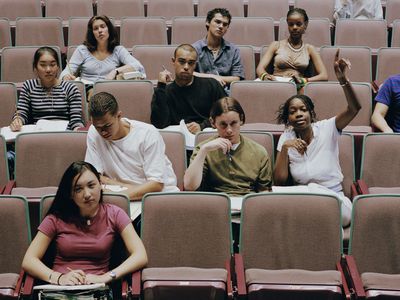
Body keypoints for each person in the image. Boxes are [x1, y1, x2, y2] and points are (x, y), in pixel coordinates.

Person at [22, 161, 147, 292]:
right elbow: (29, 260)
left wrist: (107, 276)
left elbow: (140, 255)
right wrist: (59, 278)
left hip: (96, 290)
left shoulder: (115, 214)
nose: (87, 194)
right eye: (78, 189)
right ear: (70, 194)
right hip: (59, 290)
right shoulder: (56, 218)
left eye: (91, 185)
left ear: (100, 185)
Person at [273, 50, 361, 227]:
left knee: (311, 194)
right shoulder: (286, 137)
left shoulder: (328, 128)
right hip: (305, 203)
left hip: (335, 202)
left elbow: (354, 109)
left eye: (303, 109)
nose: (298, 114)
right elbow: (279, 181)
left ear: (311, 114)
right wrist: (284, 149)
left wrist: (342, 79)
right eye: (292, 112)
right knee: (278, 199)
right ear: (287, 119)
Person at [85, 92, 179, 201]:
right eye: (98, 127)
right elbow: (93, 177)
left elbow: (156, 185)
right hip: (121, 194)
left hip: (158, 197)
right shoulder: (93, 132)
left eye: (107, 126)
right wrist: (121, 188)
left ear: (119, 116)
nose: (103, 132)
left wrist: (114, 186)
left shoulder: (148, 134)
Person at [184, 96, 272, 195]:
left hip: (246, 203)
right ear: (213, 122)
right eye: (223, 124)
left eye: (233, 123)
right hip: (214, 203)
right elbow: (189, 186)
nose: (229, 130)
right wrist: (204, 150)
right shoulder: (203, 149)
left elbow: (264, 192)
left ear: (241, 120)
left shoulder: (259, 152)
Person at [151, 44, 226, 134]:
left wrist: (202, 126)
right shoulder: (164, 91)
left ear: (195, 65)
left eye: (191, 63)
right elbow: (159, 124)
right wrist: (161, 86)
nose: (186, 67)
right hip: (178, 140)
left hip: (206, 137)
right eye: (182, 62)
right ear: (173, 61)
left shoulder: (212, 85)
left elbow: (227, 113)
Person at [10, 46, 84, 132]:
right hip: (38, 134)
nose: (48, 70)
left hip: (64, 134)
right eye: (43, 65)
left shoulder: (70, 88)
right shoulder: (29, 86)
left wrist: (78, 129)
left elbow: (76, 120)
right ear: (35, 68)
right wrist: (17, 121)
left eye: (52, 65)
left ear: (58, 67)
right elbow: (22, 112)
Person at [256, 8, 328, 91]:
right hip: (276, 83)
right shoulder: (276, 45)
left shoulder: (310, 49)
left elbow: (324, 75)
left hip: (297, 86)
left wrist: (304, 80)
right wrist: (265, 76)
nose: (294, 27)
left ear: (305, 24)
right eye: (291, 24)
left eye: (298, 24)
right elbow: (259, 69)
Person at [60, 15, 145, 83]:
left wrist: (115, 71)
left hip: (109, 91)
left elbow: (138, 66)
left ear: (109, 29)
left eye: (103, 26)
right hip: (87, 91)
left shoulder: (118, 50)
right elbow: (67, 70)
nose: (100, 30)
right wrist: (66, 76)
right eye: (96, 28)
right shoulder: (82, 50)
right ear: (92, 33)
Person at [192, 8, 244, 89]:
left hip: (225, 94)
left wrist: (219, 78)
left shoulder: (233, 50)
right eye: (217, 22)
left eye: (225, 24)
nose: (221, 26)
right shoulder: (195, 48)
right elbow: (189, 72)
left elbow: (237, 78)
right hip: (201, 91)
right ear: (208, 22)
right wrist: (213, 77)